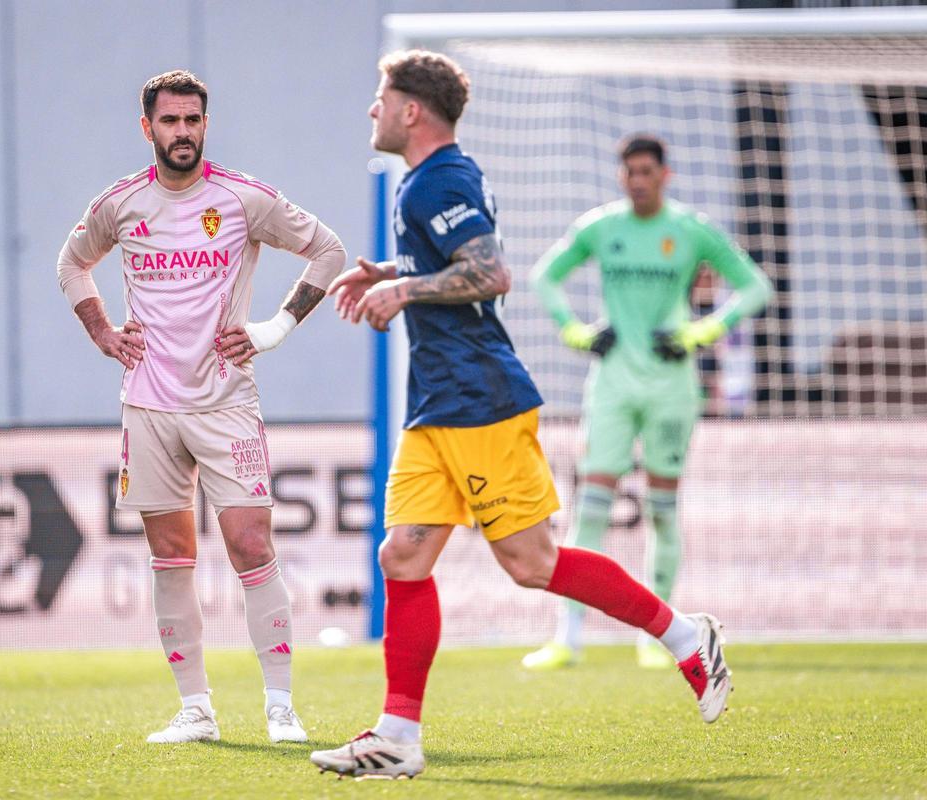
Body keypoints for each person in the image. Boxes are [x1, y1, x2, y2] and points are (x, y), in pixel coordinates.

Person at [310, 51, 731, 780]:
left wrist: (405, 292)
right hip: (437, 405)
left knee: (532, 565)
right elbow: (460, 268)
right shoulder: (423, 181)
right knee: (402, 556)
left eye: (381, 97)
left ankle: (685, 636)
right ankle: (397, 736)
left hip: (480, 402)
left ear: (412, 110)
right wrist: (395, 272)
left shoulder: (442, 177)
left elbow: (489, 272)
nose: (371, 110)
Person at [56, 70, 345, 744]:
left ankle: (280, 706)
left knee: (250, 543)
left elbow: (328, 251)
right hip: (149, 407)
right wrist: (102, 331)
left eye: (192, 121)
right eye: (169, 122)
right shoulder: (120, 204)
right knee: (170, 554)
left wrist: (274, 328)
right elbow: (72, 265)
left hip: (225, 403)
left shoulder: (242, 198)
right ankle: (197, 709)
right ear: (147, 128)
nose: (181, 132)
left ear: (205, 126)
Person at [521, 134, 773, 671]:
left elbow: (754, 287)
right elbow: (545, 276)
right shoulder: (601, 227)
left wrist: (703, 332)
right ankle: (567, 636)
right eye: (629, 172)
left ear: (664, 176)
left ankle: (658, 637)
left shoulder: (690, 230)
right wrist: (575, 332)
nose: (638, 181)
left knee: (662, 508)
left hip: (671, 386)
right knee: (591, 506)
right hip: (612, 382)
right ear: (622, 177)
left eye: (646, 172)